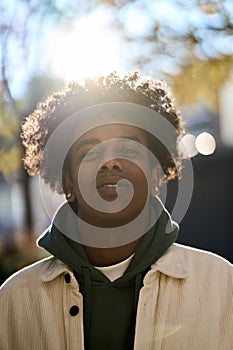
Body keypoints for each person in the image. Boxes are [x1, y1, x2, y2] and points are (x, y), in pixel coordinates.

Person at [0, 72, 232, 350]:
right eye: (91, 153)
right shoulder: (14, 300)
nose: (110, 163)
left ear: (156, 175)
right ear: (67, 182)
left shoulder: (222, 285)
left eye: (128, 149)